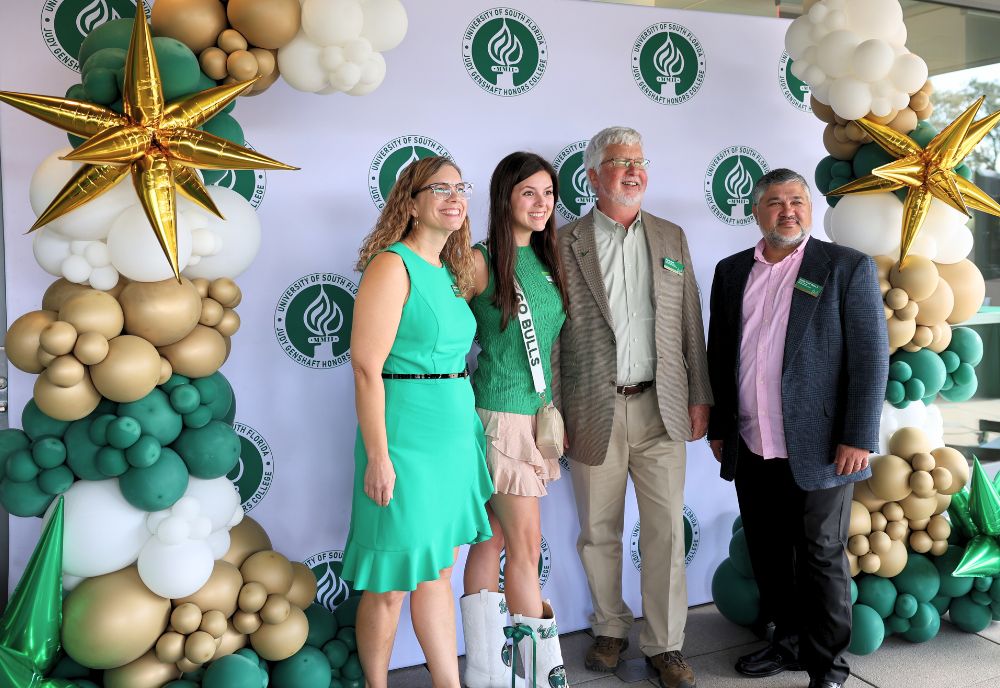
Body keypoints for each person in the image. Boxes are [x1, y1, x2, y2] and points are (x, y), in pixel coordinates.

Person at [706, 168, 889, 688]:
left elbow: (871, 358)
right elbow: (722, 354)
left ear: (809, 209)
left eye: (797, 201)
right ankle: (785, 643)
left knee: (821, 555)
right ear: (756, 211)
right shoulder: (731, 270)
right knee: (767, 550)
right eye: (774, 202)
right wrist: (721, 426)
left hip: (824, 445)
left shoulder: (844, 267)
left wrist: (858, 433)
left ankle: (828, 665)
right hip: (751, 439)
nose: (787, 211)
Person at [557, 126, 712, 688]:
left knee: (666, 531)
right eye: (619, 161)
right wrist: (552, 411)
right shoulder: (563, 241)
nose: (632, 170)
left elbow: (690, 320)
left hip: (661, 407)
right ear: (593, 175)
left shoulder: (671, 236)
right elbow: (551, 334)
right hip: (590, 408)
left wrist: (701, 395)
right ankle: (608, 628)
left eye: (639, 160)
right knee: (598, 530)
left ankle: (665, 645)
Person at [344, 155, 494, 688]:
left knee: (438, 572)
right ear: (410, 203)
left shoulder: (450, 272)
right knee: (389, 581)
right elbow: (366, 368)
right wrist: (379, 456)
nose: (455, 197)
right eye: (440, 188)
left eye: (461, 187)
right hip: (404, 436)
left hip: (452, 432)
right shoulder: (393, 264)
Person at [461, 152, 569, 688]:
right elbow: (438, 330)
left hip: (534, 419)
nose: (542, 204)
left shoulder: (547, 260)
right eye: (529, 192)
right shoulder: (478, 261)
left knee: (494, 540)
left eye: (548, 193)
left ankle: (489, 676)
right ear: (504, 196)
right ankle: (538, 677)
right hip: (498, 416)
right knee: (523, 548)